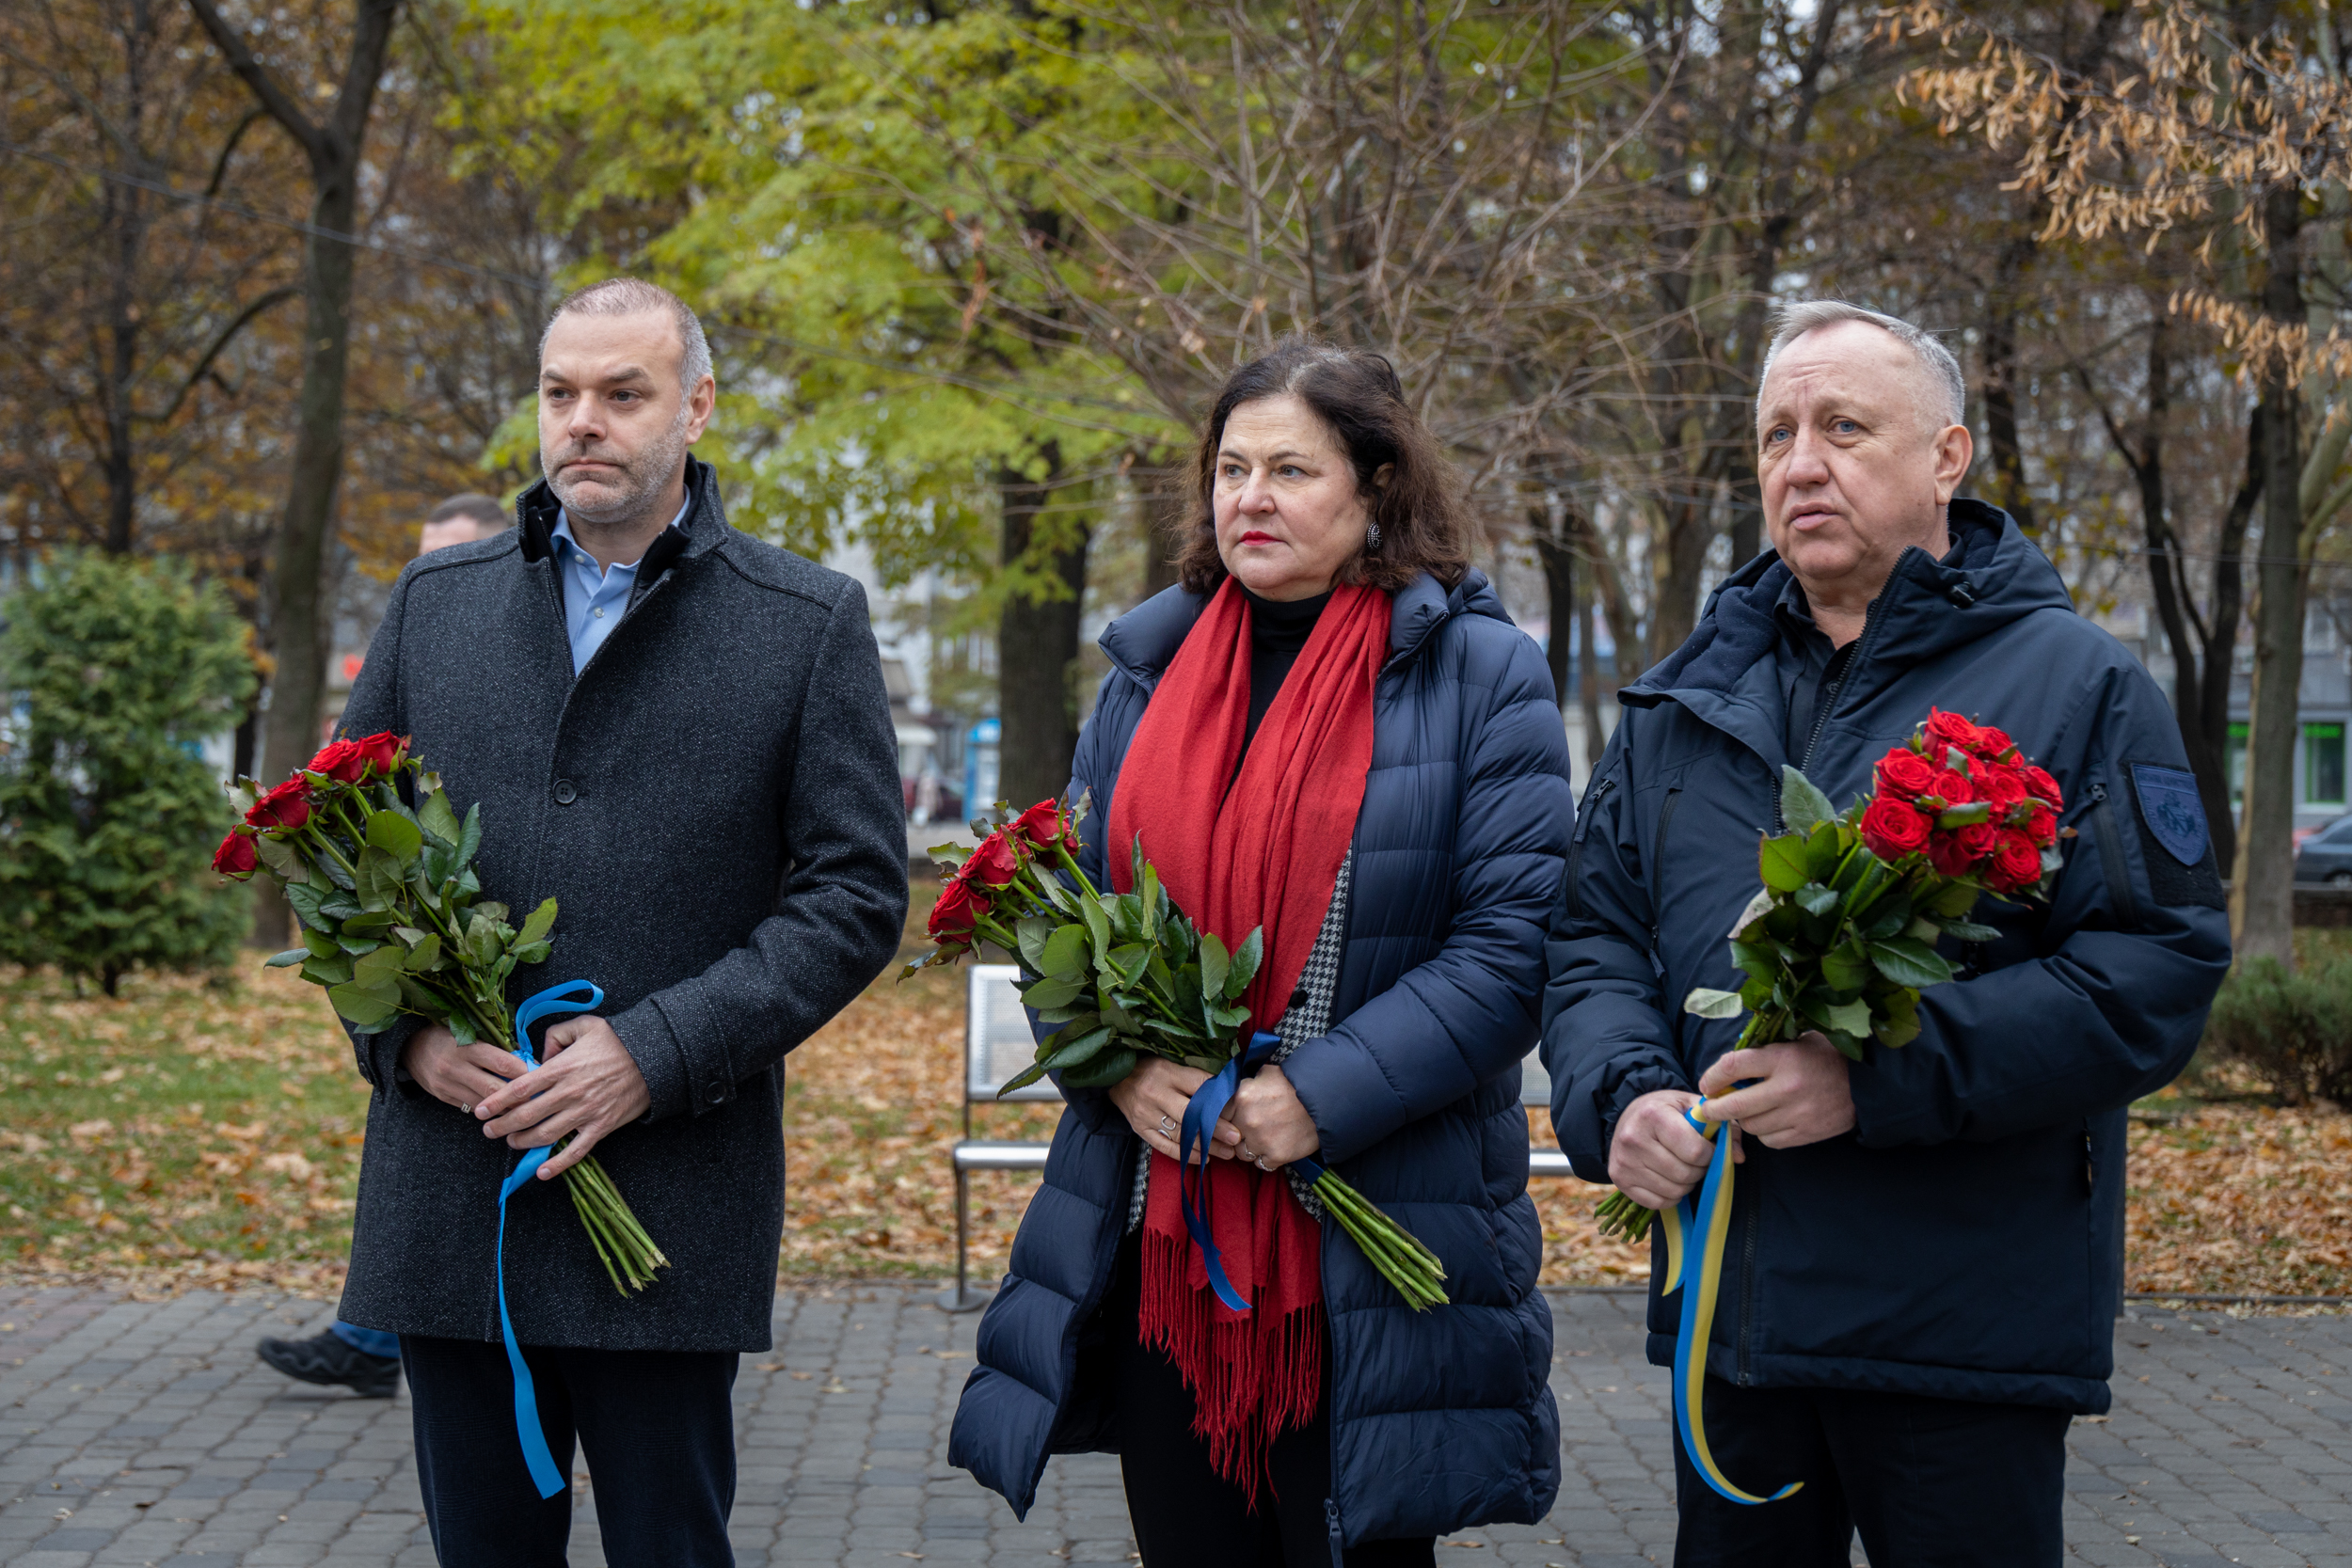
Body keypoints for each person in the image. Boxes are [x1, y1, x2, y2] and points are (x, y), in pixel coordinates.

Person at [1541, 300, 2231, 1566]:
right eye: (1775, 435)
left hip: (1961, 1331)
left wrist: (1879, 1077)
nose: (1800, 462)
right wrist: (1620, 1092)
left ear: (1947, 458)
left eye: (1844, 426)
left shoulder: (2081, 685)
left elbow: (2157, 964)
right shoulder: (1685, 697)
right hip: (1735, 1322)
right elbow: (1592, 932)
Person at [950, 339, 1572, 1564]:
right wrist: (1119, 1069)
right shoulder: (1149, 666)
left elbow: (1510, 950)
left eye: (1291, 467)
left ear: (1377, 488)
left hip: (1369, 1251)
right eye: (1232, 466)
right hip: (1161, 1251)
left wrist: (1313, 1099)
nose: (1251, 496)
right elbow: (1065, 920)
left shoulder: (1479, 671)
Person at [328, 277, 907, 1565]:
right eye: (560, 392)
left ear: (695, 407)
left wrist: (662, 1048)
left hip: (669, 1204)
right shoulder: (438, 602)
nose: (583, 421)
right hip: (453, 1191)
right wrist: (409, 1040)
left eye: (622, 393)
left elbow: (857, 892)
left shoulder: (806, 620)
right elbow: (334, 855)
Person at [258, 490, 517, 1399]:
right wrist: (400, 1037)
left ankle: (369, 1339)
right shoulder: (420, 639)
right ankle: (372, 1336)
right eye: (419, 557)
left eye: (447, 554)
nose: (427, 577)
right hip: (433, 988)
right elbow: (339, 832)